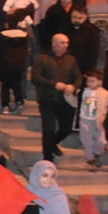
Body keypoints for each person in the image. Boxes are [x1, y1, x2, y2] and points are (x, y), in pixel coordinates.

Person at [31, 33, 81, 161]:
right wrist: (54, 85)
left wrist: (74, 86)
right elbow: (35, 78)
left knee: (66, 128)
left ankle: (52, 144)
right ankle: (47, 157)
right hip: (47, 99)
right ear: (54, 44)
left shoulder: (71, 59)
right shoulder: (42, 58)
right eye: (62, 43)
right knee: (49, 128)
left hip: (65, 99)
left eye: (67, 43)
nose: (66, 45)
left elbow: (78, 77)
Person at [78, 70, 108, 170]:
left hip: (98, 120)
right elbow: (77, 102)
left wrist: (104, 116)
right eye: (88, 81)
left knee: (101, 141)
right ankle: (90, 158)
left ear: (100, 82)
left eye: (93, 81)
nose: (90, 83)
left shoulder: (106, 94)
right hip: (85, 119)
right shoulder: (83, 91)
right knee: (86, 139)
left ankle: (96, 153)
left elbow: (107, 106)